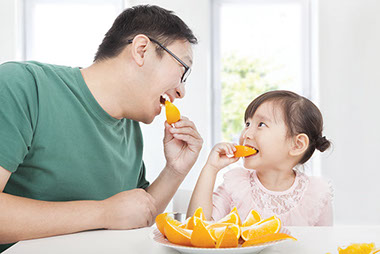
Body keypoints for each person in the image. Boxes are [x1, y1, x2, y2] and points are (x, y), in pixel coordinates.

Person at [0, 5, 203, 252]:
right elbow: (114, 213)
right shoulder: (22, 86)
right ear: (142, 50)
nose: (181, 91)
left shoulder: (130, 130)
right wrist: (103, 212)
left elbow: (135, 214)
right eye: (183, 69)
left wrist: (175, 170)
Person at [187, 90, 333, 226]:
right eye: (247, 124)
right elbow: (197, 228)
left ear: (297, 145)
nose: (246, 134)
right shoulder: (235, 186)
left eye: (261, 124)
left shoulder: (316, 195)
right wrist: (210, 169)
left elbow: (323, 244)